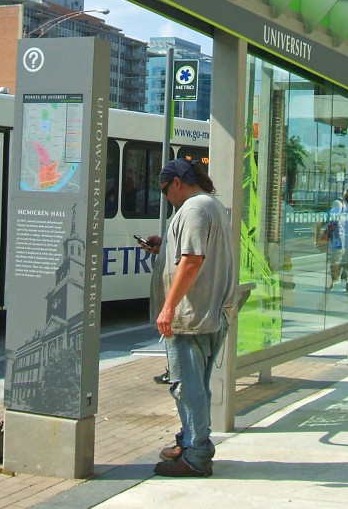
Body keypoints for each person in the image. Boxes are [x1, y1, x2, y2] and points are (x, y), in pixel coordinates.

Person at [139, 158, 236, 478]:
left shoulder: (193, 209)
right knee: (197, 386)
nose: (166, 197)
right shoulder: (212, 206)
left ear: (178, 183)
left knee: (186, 388)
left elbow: (192, 260)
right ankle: (189, 439)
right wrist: (163, 245)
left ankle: (196, 455)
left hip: (190, 315)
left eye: (165, 190)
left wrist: (168, 307)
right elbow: (192, 253)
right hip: (209, 313)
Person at [315, 184, 348, 292]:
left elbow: (321, 223)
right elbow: (326, 222)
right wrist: (319, 236)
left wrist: (317, 237)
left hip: (346, 242)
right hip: (343, 242)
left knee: (342, 265)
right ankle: (337, 284)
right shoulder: (343, 204)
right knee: (339, 264)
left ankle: (339, 284)